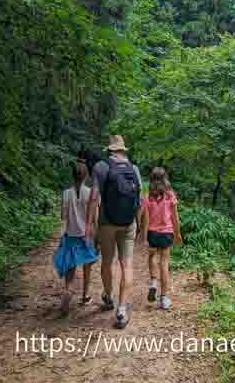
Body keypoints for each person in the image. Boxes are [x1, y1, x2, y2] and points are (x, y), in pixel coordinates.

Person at [86, 135, 142, 329]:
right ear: (123, 150)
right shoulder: (133, 169)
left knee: (107, 262)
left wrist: (90, 227)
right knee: (127, 265)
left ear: (109, 150)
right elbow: (139, 200)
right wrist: (139, 224)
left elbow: (94, 199)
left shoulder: (100, 168)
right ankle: (122, 310)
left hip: (106, 223)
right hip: (128, 223)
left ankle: (108, 296)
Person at [53, 161, 98, 314]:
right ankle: (85, 296)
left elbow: (63, 216)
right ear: (86, 176)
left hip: (71, 236)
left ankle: (68, 290)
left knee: (70, 269)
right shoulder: (90, 192)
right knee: (87, 266)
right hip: (86, 236)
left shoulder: (66, 193)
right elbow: (94, 218)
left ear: (72, 175)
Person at [140, 167, 182, 310]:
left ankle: (153, 282)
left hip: (152, 233)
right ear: (165, 179)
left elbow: (145, 220)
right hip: (166, 233)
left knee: (152, 257)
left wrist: (143, 237)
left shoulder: (147, 196)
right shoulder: (170, 195)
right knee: (164, 264)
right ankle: (164, 299)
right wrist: (178, 234)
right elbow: (175, 218)